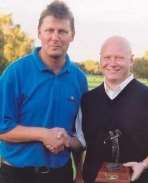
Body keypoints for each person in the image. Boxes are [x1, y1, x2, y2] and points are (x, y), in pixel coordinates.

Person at [0, 1, 88, 183]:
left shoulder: (79, 79)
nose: (55, 37)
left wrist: (79, 174)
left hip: (60, 175)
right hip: (17, 175)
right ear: (39, 32)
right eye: (49, 30)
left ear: (72, 35)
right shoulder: (15, 73)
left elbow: (79, 134)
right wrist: (43, 134)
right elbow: (2, 128)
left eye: (62, 31)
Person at [80, 36, 148, 183]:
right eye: (107, 57)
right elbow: (83, 143)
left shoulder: (147, 97)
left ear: (131, 60)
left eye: (119, 58)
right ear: (100, 60)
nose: (112, 63)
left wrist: (143, 165)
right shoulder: (88, 100)